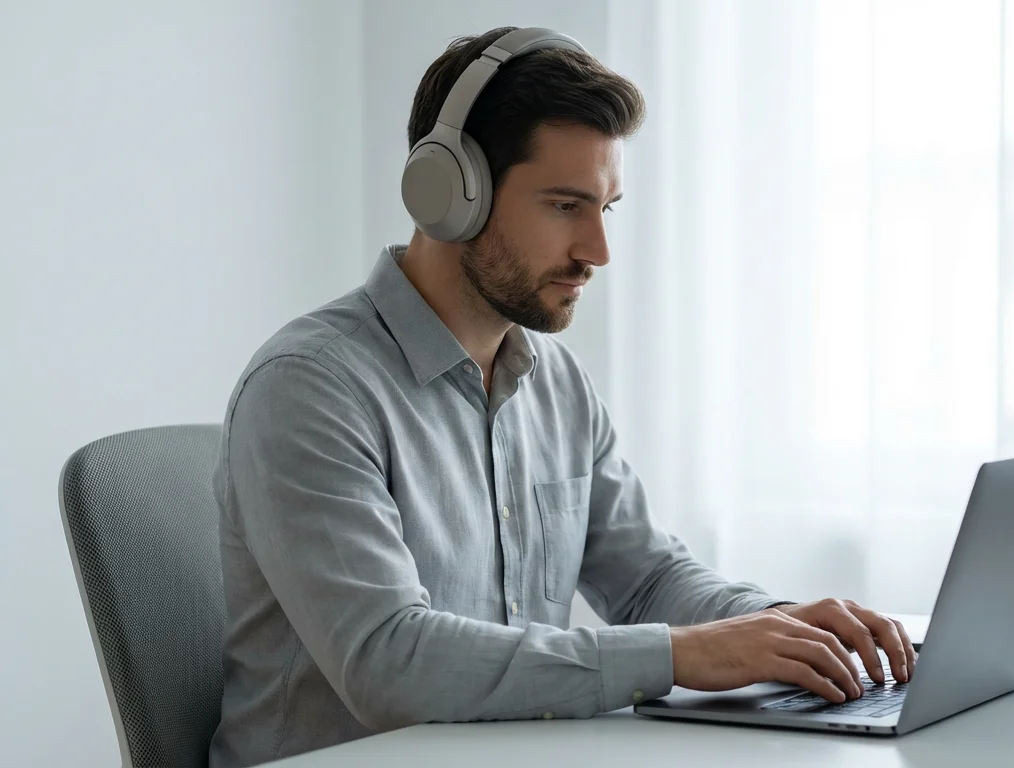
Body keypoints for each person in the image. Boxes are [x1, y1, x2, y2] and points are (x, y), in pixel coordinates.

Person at [208, 26, 915, 768]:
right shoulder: (311, 388)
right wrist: (678, 656)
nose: (596, 252)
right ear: (450, 193)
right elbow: (391, 664)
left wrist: (778, 626)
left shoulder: (554, 380)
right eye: (563, 206)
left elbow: (646, 579)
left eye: (604, 209)